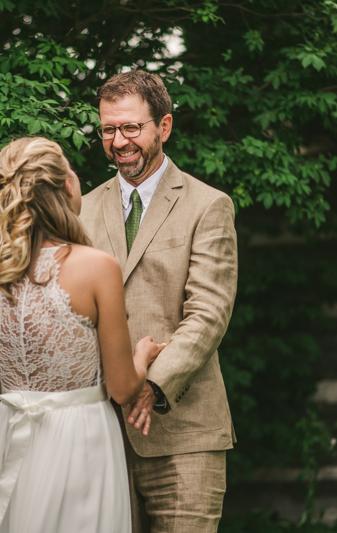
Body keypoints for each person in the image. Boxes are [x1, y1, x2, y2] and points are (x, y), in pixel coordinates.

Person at [0, 136, 166, 533]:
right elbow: (122, 388)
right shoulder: (97, 266)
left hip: (11, 435)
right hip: (80, 442)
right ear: (66, 187)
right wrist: (143, 355)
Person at [79, 70, 238, 533]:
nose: (119, 140)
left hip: (185, 431)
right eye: (109, 129)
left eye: (132, 127)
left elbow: (209, 313)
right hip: (100, 433)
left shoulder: (208, 205)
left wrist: (150, 385)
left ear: (163, 127)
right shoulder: (81, 210)